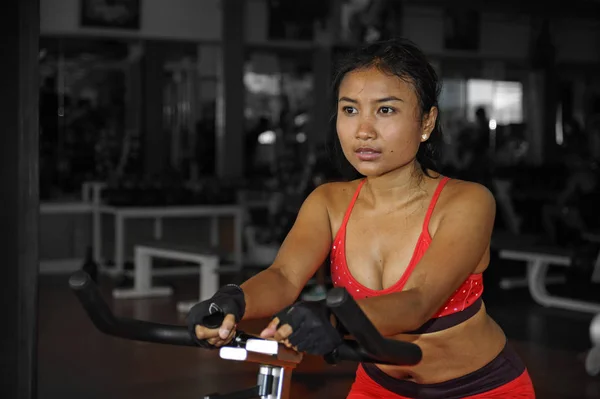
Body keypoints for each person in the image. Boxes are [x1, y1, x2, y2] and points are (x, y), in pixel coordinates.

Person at [187, 38, 536, 398]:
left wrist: (333, 319)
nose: (363, 130)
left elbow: (418, 301)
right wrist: (232, 301)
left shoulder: (467, 201)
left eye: (385, 111)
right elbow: (284, 275)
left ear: (427, 121)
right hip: (379, 387)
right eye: (350, 110)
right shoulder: (328, 202)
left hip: (480, 388)